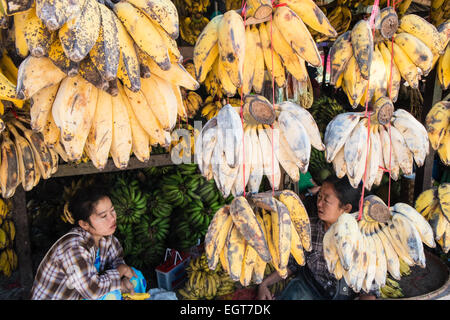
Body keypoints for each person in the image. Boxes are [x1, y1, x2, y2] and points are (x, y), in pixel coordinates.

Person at [257, 175, 377, 300]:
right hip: (309, 289)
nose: (319, 203)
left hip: (344, 294)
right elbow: (293, 263)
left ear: (346, 208)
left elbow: (369, 291)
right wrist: (264, 284)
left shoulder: (361, 239)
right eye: (319, 196)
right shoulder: (309, 226)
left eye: (326, 200)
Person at [30, 185, 147, 300]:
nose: (112, 218)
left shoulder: (108, 239)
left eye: (112, 211)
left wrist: (123, 280)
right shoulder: (73, 248)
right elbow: (92, 291)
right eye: (103, 216)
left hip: (87, 292)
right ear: (84, 224)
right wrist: (120, 272)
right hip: (70, 296)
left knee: (135, 277)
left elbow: (117, 262)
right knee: (111, 296)